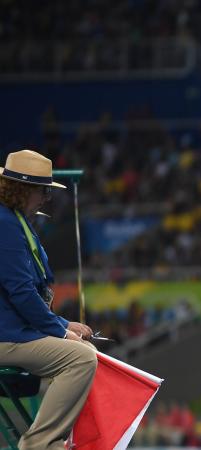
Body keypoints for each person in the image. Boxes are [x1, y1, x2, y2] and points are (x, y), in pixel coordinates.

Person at [0, 150, 97, 450]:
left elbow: (26, 293)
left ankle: (53, 441)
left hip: (14, 331)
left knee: (83, 351)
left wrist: (63, 324)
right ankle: (39, 444)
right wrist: (60, 330)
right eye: (43, 191)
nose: (46, 198)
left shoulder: (13, 221)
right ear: (25, 190)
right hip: (7, 336)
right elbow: (21, 292)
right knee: (82, 358)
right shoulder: (5, 225)